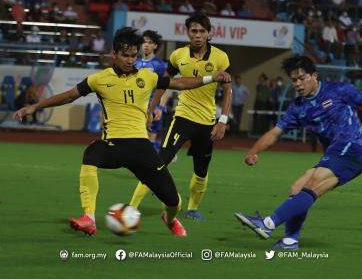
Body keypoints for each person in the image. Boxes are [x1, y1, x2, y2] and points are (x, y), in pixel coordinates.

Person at [13, 27, 231, 237]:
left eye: (133, 56)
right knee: (91, 154)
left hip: (141, 148)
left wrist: (212, 78)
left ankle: (170, 218)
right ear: (114, 54)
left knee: (173, 200)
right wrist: (35, 106)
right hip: (113, 145)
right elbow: (69, 96)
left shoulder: (147, 76)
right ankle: (89, 218)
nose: (130, 60)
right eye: (125, 55)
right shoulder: (99, 79)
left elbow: (180, 83)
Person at [234, 56, 362, 250]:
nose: (298, 84)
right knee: (297, 189)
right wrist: (254, 151)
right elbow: (275, 132)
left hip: (352, 148)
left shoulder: (339, 90)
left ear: (314, 76)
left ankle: (267, 224)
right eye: (294, 80)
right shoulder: (297, 108)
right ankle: (290, 241)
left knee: (313, 183)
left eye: (302, 78)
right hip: (336, 153)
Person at [129, 13, 232, 221]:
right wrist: (150, 110)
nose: (198, 35)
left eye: (202, 31)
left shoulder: (220, 57)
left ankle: (193, 208)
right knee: (158, 162)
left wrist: (223, 120)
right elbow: (163, 83)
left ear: (209, 33)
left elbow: (229, 90)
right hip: (182, 118)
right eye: (194, 31)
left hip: (207, 122)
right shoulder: (178, 56)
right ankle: (131, 207)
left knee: (201, 170)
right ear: (187, 33)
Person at [134, 30, 167, 152]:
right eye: (144, 42)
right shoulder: (134, 63)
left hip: (153, 107)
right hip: (137, 107)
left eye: (150, 42)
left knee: (150, 142)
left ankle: (162, 154)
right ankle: (164, 150)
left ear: (155, 46)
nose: (146, 45)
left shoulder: (160, 65)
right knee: (137, 141)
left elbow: (165, 88)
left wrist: (161, 108)